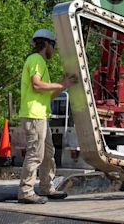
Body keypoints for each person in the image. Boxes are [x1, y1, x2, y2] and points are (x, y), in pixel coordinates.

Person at [17, 29, 76, 204]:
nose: (54, 50)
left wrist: (63, 85)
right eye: (54, 46)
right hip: (34, 115)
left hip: (40, 115)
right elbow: (36, 85)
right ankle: (26, 192)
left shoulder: (40, 62)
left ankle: (46, 187)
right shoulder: (36, 60)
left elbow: (47, 94)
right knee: (35, 155)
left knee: (48, 154)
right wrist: (62, 83)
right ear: (47, 44)